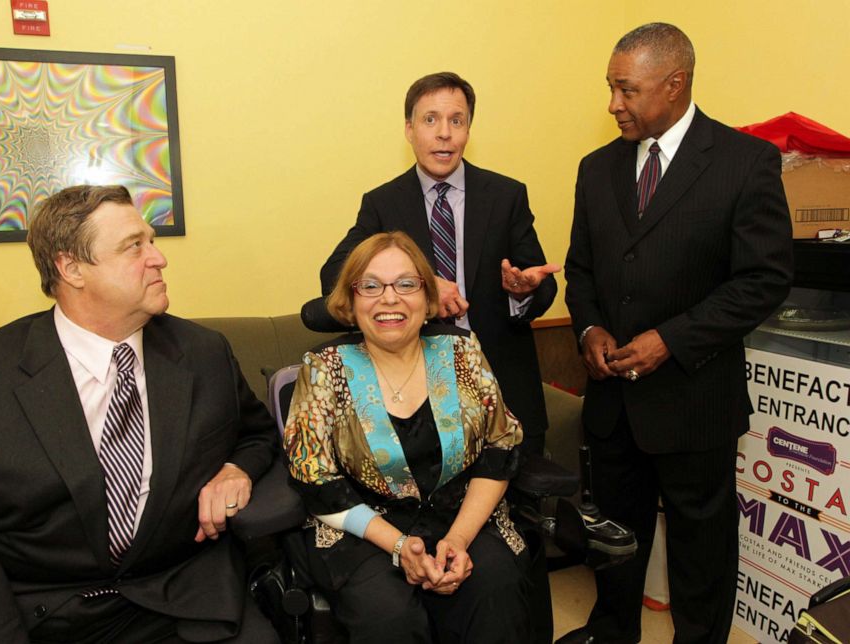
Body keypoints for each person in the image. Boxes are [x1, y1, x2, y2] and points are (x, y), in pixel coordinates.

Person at [0, 185, 280, 644]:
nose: (158, 258)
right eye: (133, 246)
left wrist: (235, 468)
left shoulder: (204, 354)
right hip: (38, 610)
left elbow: (258, 434)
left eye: (152, 240)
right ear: (71, 268)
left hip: (176, 597)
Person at [560, 23, 793, 644]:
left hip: (695, 402)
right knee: (614, 545)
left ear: (675, 84)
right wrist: (587, 327)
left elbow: (763, 280)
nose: (613, 104)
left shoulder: (744, 163)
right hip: (613, 405)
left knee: (701, 554)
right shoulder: (596, 169)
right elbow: (580, 269)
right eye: (610, 88)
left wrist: (674, 338)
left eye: (626, 90)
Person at [286, 231, 532, 643]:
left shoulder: (462, 352)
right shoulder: (323, 367)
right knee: (389, 617)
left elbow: (499, 447)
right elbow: (316, 479)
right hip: (364, 529)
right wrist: (401, 546)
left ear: (427, 296)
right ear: (350, 300)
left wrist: (457, 539)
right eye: (370, 285)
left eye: (406, 284)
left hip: (462, 515)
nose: (389, 299)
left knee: (497, 592)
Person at [320, 71, 559, 457]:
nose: (444, 133)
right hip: (418, 397)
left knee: (519, 511)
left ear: (468, 130)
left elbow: (540, 282)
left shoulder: (506, 195)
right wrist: (423, 282)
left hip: (505, 389)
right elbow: (333, 276)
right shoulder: (384, 203)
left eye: (456, 120)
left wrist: (524, 290)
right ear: (409, 129)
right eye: (430, 120)